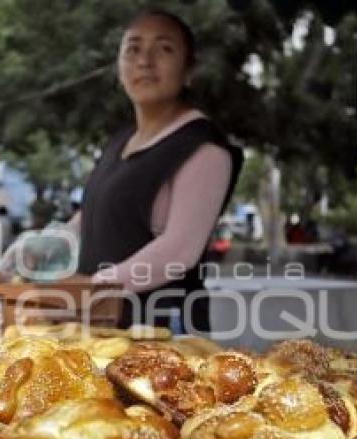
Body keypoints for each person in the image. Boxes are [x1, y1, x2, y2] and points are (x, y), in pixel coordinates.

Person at [14, 9, 243, 332]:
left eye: (164, 49)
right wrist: (48, 244)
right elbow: (92, 216)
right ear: (119, 67)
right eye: (133, 49)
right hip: (101, 323)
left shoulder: (204, 148)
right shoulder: (120, 141)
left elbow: (179, 250)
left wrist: (93, 287)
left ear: (189, 70)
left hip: (161, 329)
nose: (145, 61)